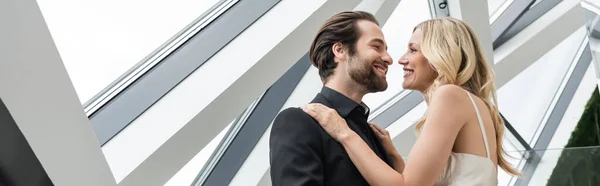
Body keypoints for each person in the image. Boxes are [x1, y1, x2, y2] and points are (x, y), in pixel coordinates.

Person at [300, 17, 522, 185]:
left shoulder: (449, 96)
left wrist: (344, 133)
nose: (400, 59)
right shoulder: (471, 103)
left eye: (413, 49)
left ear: (441, 53)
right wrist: (395, 156)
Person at [269, 11, 394, 186]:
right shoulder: (298, 122)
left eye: (386, 50)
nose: (389, 58)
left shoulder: (375, 136)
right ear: (340, 50)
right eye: (376, 47)